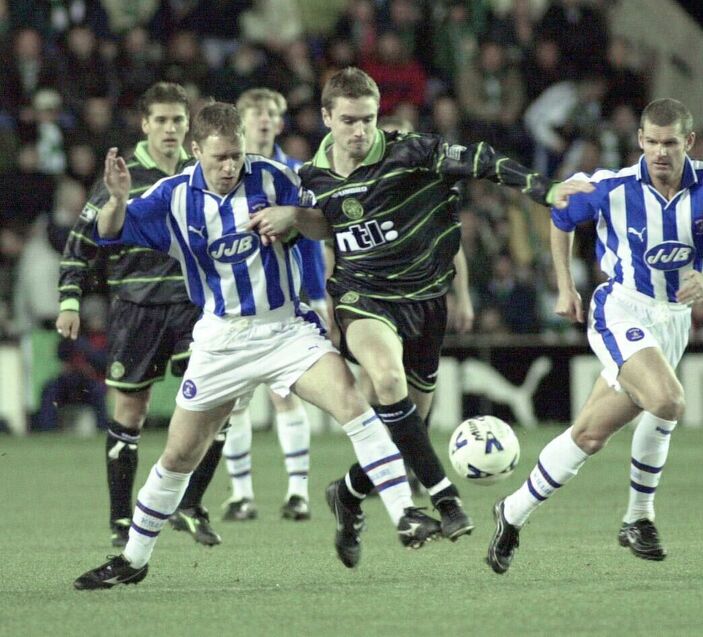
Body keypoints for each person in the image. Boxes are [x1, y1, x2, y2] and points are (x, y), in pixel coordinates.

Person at [73, 101, 440, 590]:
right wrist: (117, 200)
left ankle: (405, 514)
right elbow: (109, 234)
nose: (230, 167)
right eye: (219, 157)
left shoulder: (275, 176)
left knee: (353, 403)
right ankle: (133, 559)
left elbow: (325, 221)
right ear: (195, 150)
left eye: (236, 156)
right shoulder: (171, 196)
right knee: (180, 455)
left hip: (286, 328)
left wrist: (295, 217)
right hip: (221, 337)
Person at [253, 67, 591, 568]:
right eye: (348, 120)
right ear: (326, 118)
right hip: (362, 300)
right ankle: (447, 501)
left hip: (426, 302)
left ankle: (346, 494)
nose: (360, 130)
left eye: (367, 119)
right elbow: (322, 228)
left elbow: (482, 160)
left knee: (405, 427)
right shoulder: (307, 179)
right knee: (386, 380)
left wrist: (545, 189)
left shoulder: (409, 151)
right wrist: (298, 232)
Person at [486, 98, 703, 574]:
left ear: (688, 143)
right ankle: (638, 517)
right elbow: (560, 213)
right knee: (669, 401)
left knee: (590, 435)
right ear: (639, 141)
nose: (659, 152)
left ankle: (511, 513)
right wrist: (565, 286)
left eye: (670, 143)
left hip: (673, 320)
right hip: (620, 308)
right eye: (651, 142)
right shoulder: (611, 186)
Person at [57, 82, 226, 548]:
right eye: (162, 120)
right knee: (130, 412)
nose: (171, 129)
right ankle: (118, 519)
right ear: (145, 124)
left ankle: (190, 504)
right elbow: (81, 241)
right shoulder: (123, 172)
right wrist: (70, 300)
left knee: (219, 402)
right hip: (136, 307)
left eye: (178, 120)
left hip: (195, 305)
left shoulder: (201, 170)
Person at [219, 88, 328, 523]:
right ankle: (241, 495)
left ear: (279, 123)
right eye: (254, 113)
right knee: (234, 401)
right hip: (238, 305)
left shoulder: (297, 173)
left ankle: (298, 492)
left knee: (286, 395)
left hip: (290, 302)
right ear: (240, 124)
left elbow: (317, 244)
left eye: (270, 113)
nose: (263, 120)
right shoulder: (225, 177)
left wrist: (320, 297)